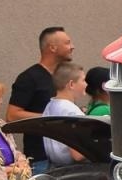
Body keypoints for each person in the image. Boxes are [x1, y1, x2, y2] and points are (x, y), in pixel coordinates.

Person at [7, 26, 75, 170]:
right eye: (67, 43)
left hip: (65, 158)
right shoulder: (29, 78)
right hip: (41, 159)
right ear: (52, 47)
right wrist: (50, 117)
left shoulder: (62, 77)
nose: (72, 47)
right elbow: (12, 115)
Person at [41, 64, 88, 167]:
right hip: (74, 171)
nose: (86, 84)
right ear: (71, 84)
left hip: (53, 168)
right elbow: (78, 155)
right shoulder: (72, 112)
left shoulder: (49, 106)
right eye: (83, 80)